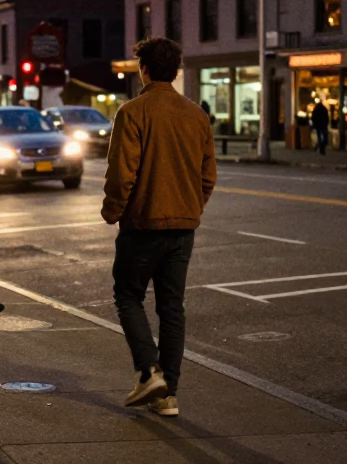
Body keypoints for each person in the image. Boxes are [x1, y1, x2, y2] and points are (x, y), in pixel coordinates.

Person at [102, 36, 215, 419]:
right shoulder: (196, 114)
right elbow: (207, 176)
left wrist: (112, 211)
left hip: (143, 226)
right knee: (172, 308)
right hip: (183, 229)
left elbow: (122, 175)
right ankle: (168, 396)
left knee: (128, 297)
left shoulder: (133, 112)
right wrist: (189, 208)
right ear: (177, 71)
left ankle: (149, 372)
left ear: (143, 70)